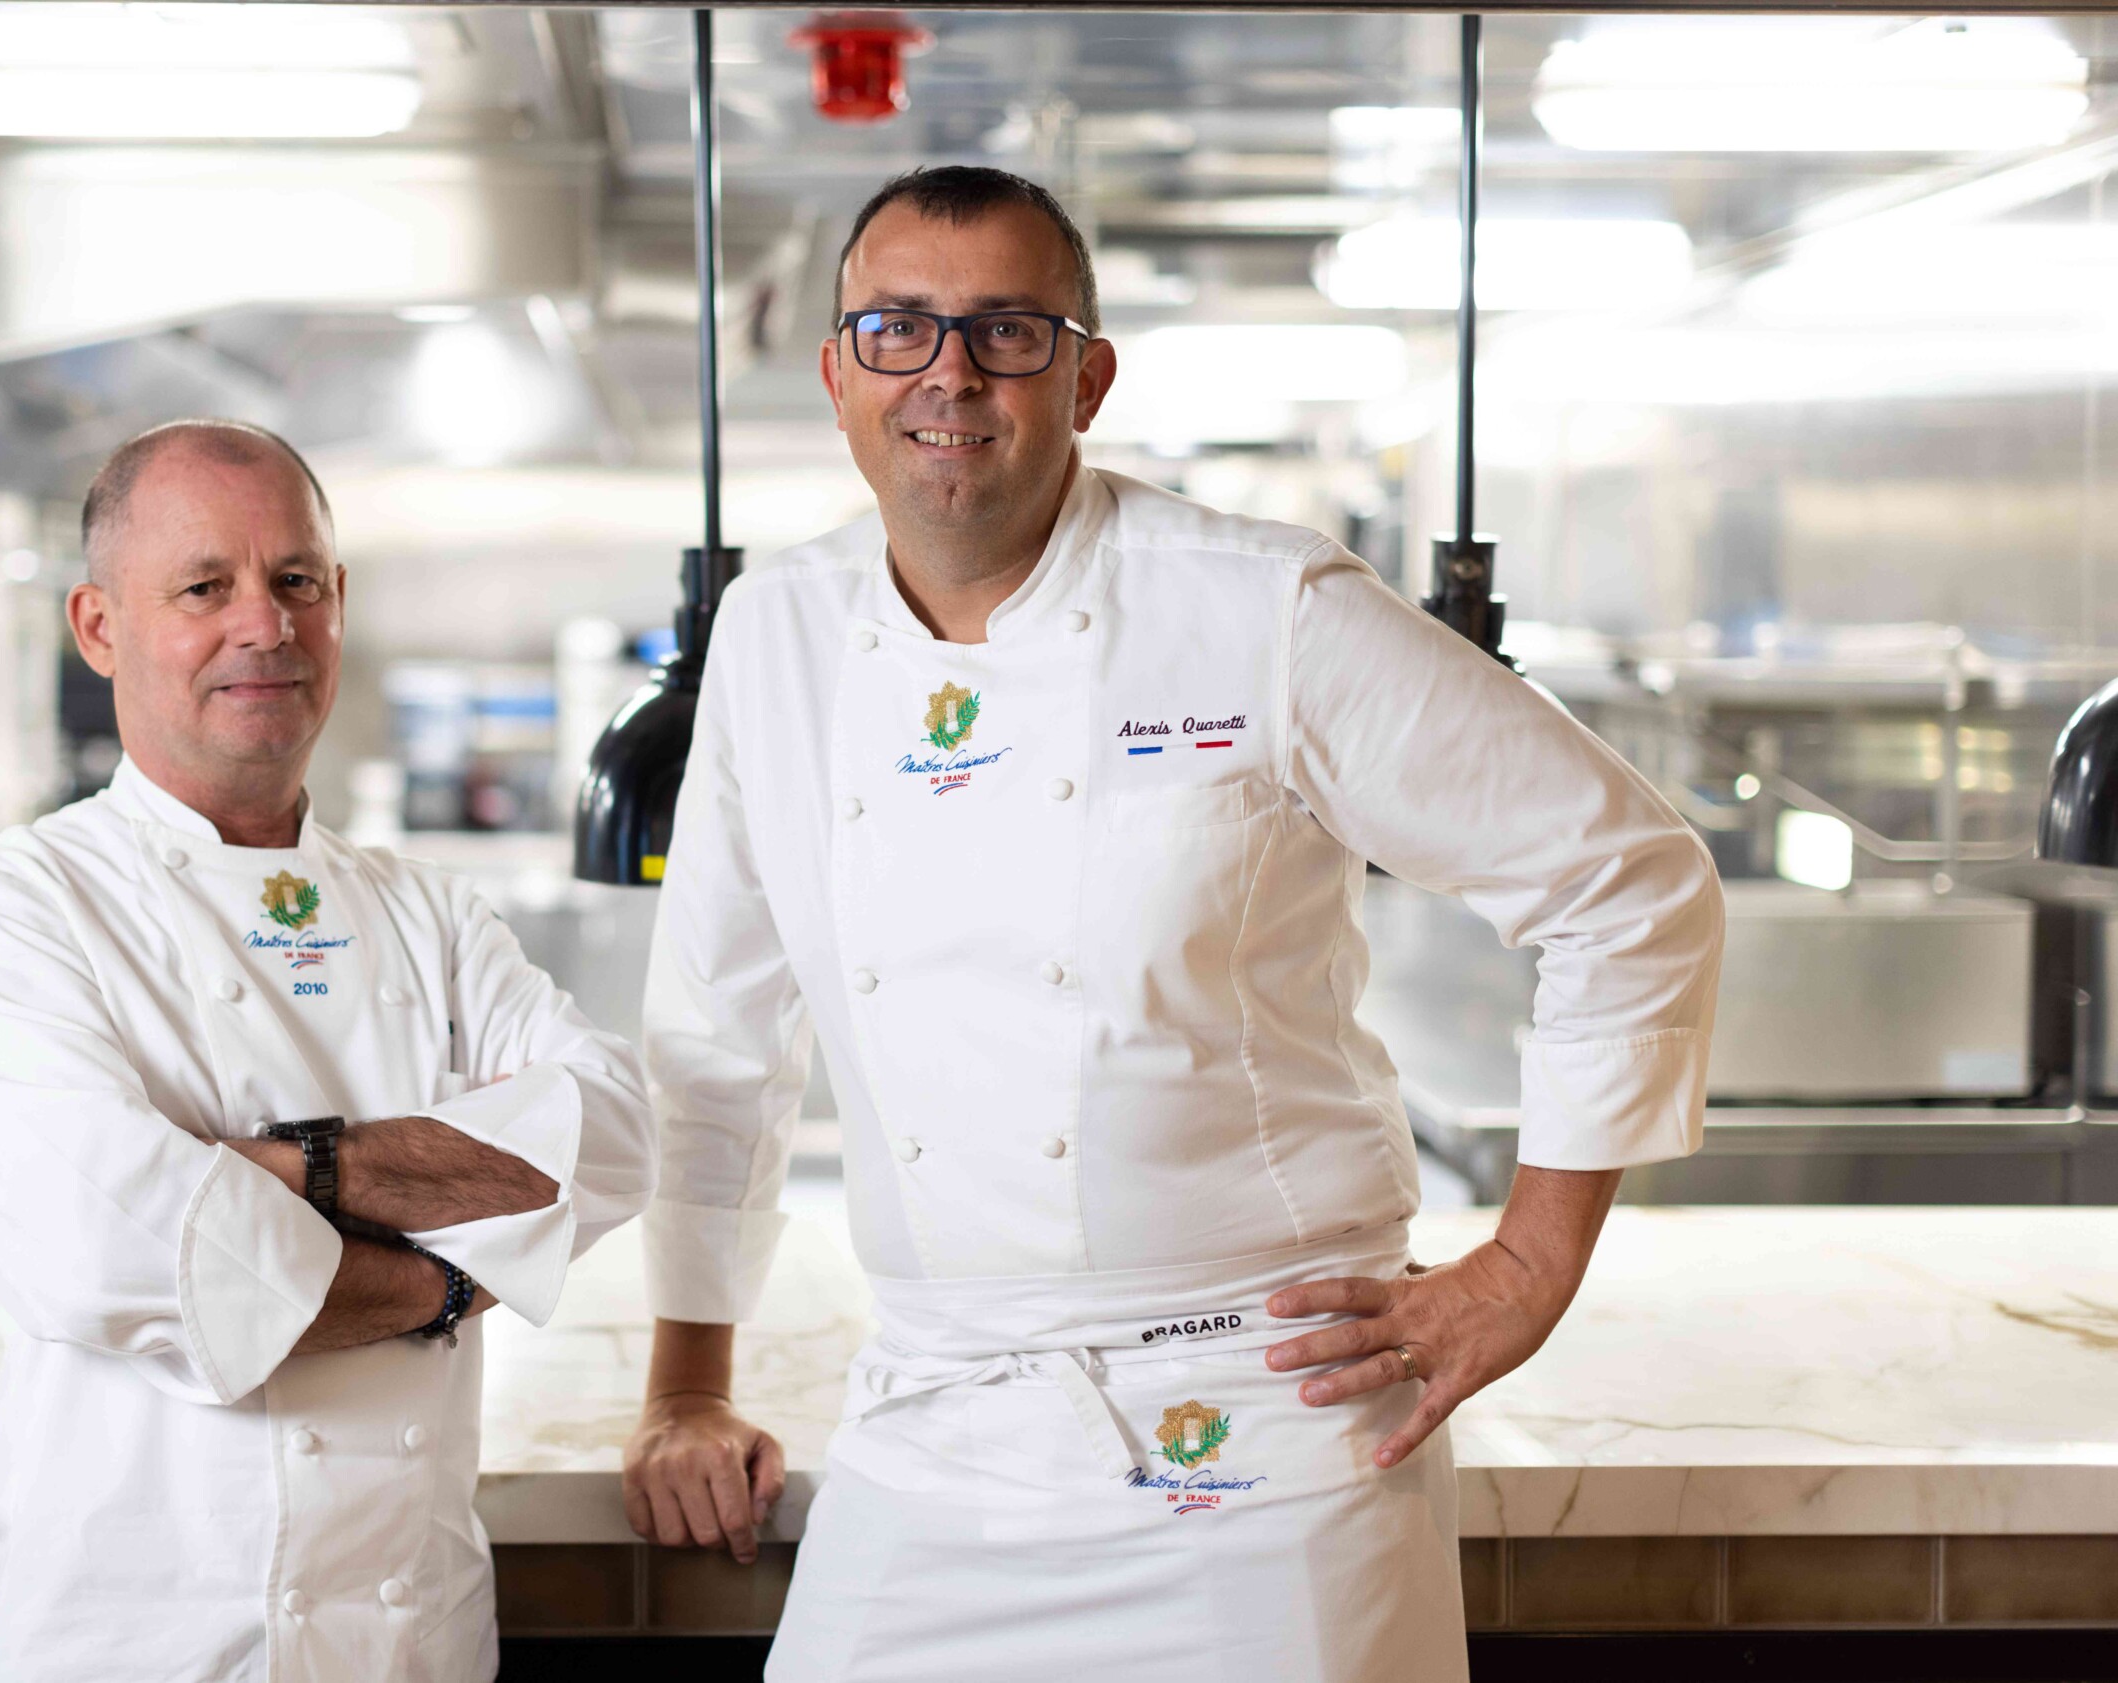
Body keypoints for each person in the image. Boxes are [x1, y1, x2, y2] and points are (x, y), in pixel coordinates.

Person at [621, 166, 1724, 1681]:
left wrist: (1528, 1266)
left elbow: (1631, 876)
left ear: (1088, 374)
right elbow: (716, 1032)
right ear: (837, 372)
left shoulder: (1261, 607)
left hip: (1266, 1431)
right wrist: (689, 1378)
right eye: (900, 328)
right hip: (939, 1415)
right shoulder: (779, 629)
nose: (949, 373)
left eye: (1008, 330)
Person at [0, 419, 655, 1682]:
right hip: (147, 1643)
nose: (266, 625)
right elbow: (116, 1250)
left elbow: (615, 1140)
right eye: (204, 587)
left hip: (417, 1638)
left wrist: (276, 1173)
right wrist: (452, 1282)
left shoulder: (429, 913)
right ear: (97, 627)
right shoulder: (12, 909)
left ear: (339, 604)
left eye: (296, 580)